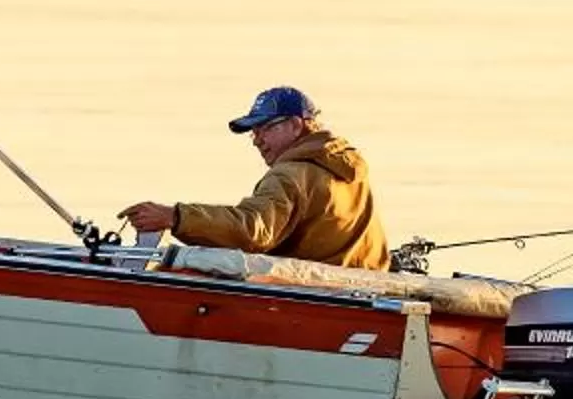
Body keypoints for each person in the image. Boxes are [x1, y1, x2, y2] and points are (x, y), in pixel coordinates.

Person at [121, 84, 389, 270]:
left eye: (265, 128)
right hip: (360, 288)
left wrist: (175, 217)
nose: (257, 140)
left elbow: (253, 230)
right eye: (254, 132)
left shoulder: (290, 175)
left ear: (296, 125)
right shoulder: (348, 170)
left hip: (308, 301)